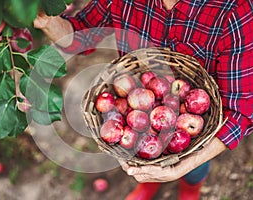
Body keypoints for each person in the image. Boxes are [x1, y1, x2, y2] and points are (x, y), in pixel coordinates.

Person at [34, 0, 253, 199]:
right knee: (145, 152)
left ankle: (190, 187)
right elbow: (80, 34)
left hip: (198, 125)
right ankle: (150, 183)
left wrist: (180, 168)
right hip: (139, 104)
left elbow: (241, 111)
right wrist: (47, 22)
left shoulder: (234, 10)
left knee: (195, 164)